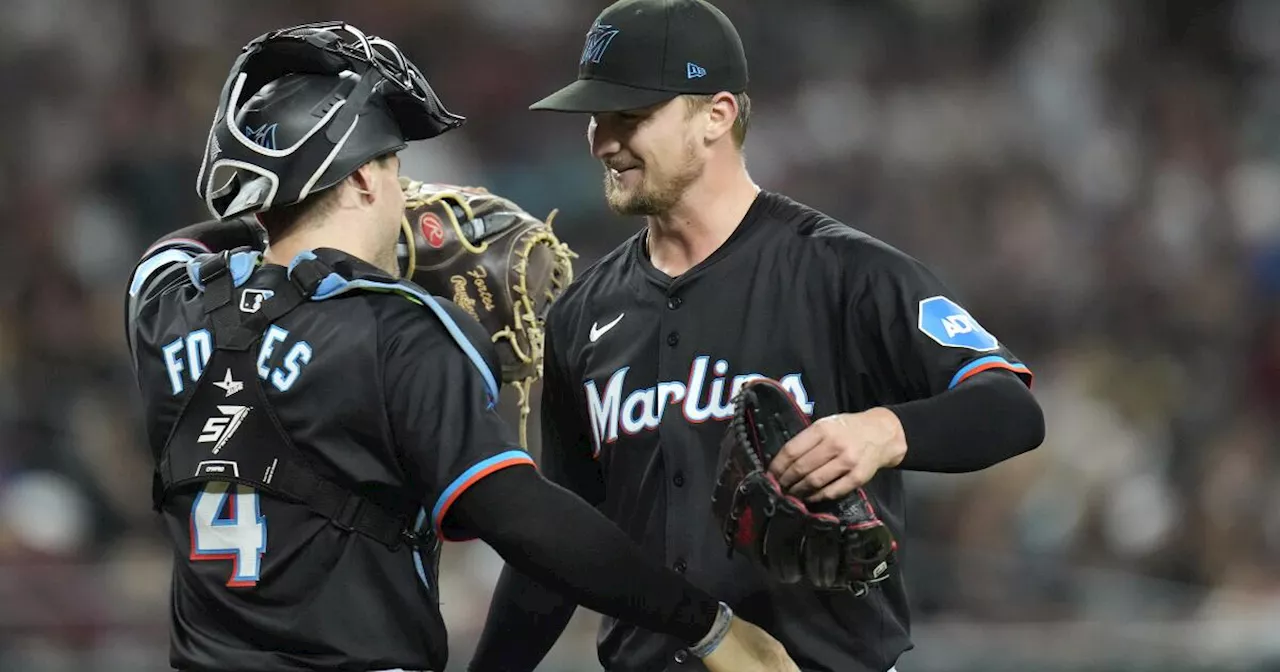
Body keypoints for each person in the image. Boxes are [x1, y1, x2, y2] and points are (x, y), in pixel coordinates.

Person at [123, 21, 799, 672]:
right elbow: (520, 515)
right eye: (395, 169)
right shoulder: (400, 331)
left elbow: (180, 247)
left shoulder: (166, 309)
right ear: (361, 180)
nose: (407, 191)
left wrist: (285, 210)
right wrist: (708, 625)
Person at [467, 1, 1047, 671]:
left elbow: (1010, 410)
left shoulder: (844, 273)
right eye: (596, 118)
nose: (602, 141)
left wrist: (885, 432)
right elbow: (558, 548)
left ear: (716, 115)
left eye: (630, 117)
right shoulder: (581, 316)